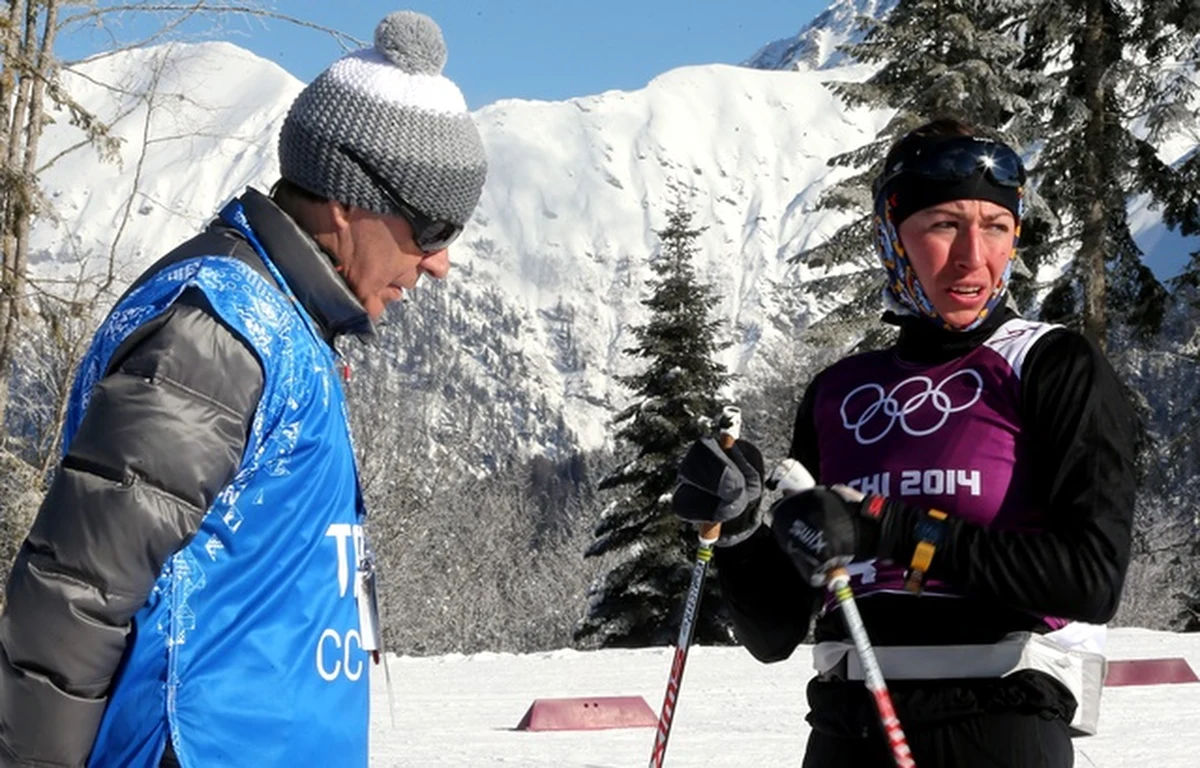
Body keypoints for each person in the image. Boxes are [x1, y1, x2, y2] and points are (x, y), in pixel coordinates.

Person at [0, 10, 486, 768]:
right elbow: (74, 594)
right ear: (347, 197)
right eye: (430, 229)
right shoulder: (218, 338)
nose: (439, 263)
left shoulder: (285, 330)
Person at [674, 118, 1136, 767]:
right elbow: (774, 631)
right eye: (944, 225)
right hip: (848, 729)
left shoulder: (1052, 364)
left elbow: (1089, 581)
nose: (974, 255)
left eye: (997, 227)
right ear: (893, 236)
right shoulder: (840, 392)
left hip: (1001, 720)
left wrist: (887, 531)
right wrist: (742, 530)